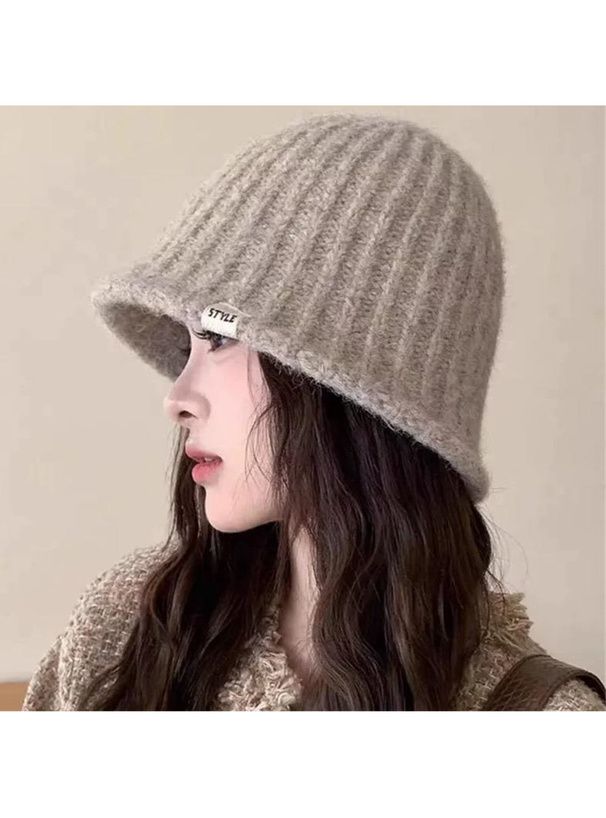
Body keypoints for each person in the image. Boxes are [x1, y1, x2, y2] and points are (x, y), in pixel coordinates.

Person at [21, 111, 606, 710]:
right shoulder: (129, 624)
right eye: (188, 343)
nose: (177, 399)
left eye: (219, 337)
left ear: (349, 388)